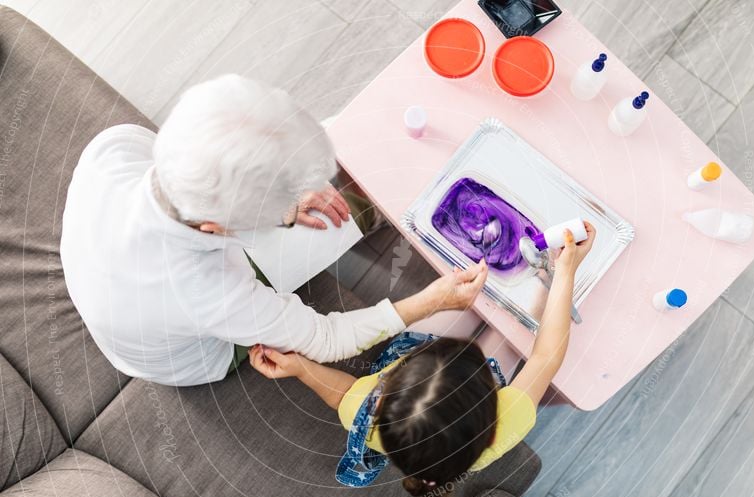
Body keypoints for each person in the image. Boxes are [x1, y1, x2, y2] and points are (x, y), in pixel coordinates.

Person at [60, 74, 488, 386]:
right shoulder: (211, 294)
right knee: (355, 202)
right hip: (196, 353)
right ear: (215, 226)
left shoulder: (110, 150)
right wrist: (432, 301)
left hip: (119, 286)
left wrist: (282, 202)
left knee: (343, 172)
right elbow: (326, 339)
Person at [249, 222, 596, 497]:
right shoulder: (507, 424)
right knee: (520, 322)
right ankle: (497, 336)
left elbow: (343, 396)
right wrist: (565, 272)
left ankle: (448, 353)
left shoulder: (365, 415)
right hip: (473, 383)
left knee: (473, 315)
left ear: (383, 396)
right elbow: (545, 355)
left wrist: (300, 368)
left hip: (443, 375)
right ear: (490, 424)